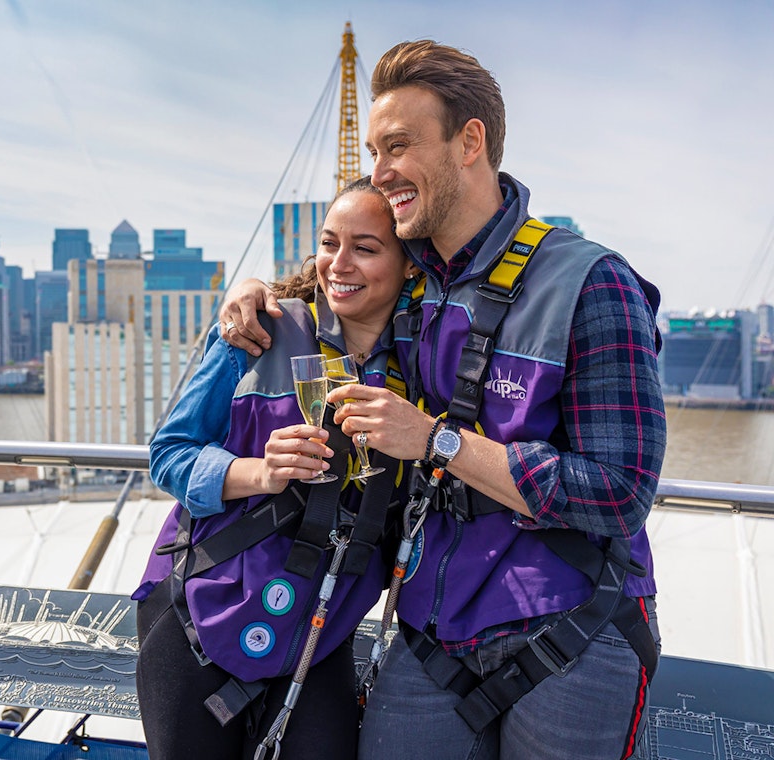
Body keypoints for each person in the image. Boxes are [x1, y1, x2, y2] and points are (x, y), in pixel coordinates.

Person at [219, 40, 664, 760]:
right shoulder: (418, 283)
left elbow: (619, 494)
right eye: (373, 150)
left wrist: (437, 442)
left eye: (399, 145)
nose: (380, 170)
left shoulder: (590, 283)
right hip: (434, 628)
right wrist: (256, 293)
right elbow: (337, 285)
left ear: (470, 141)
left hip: (570, 624)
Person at [134, 178, 419, 760]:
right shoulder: (258, 332)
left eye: (365, 248)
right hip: (197, 609)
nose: (339, 264)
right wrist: (259, 472)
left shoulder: (427, 363)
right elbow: (170, 453)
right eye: (329, 243)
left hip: (318, 631)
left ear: (410, 265)